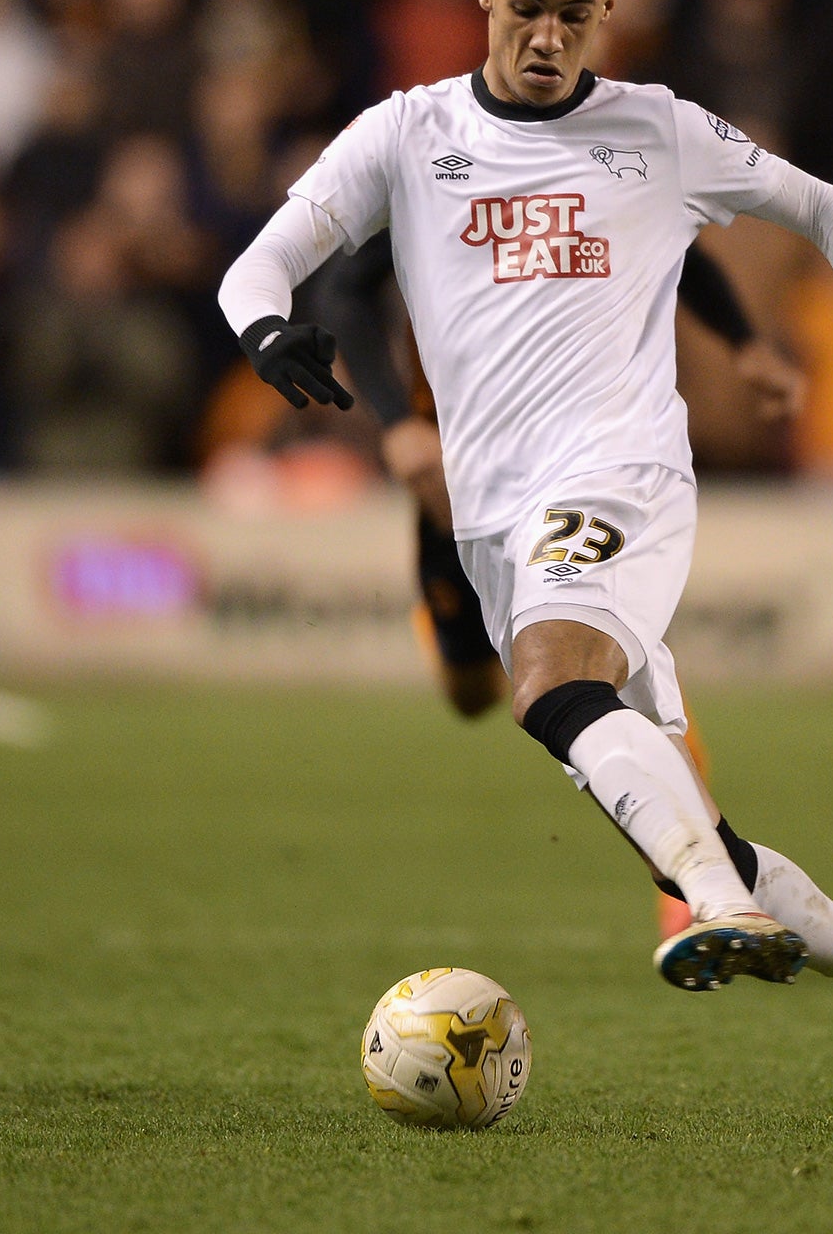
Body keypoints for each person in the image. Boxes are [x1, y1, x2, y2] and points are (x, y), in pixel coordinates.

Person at [220, 0, 833, 1118]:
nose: (546, 38)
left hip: (621, 481)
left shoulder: (657, 132)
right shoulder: (406, 134)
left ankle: (714, 902)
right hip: (493, 524)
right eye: (525, 8)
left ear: (607, 13)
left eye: (573, 17)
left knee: (549, 684)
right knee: (672, 800)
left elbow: (827, 210)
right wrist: (267, 325)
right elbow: (259, 259)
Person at [308, 231, 804, 940]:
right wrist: (395, 426)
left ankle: (692, 874)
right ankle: (461, 633)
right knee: (471, 693)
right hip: (458, 464)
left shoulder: (592, 153)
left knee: (602, 660)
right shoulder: (432, 155)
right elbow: (342, 287)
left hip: (576, 456)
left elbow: (669, 243)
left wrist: (743, 341)